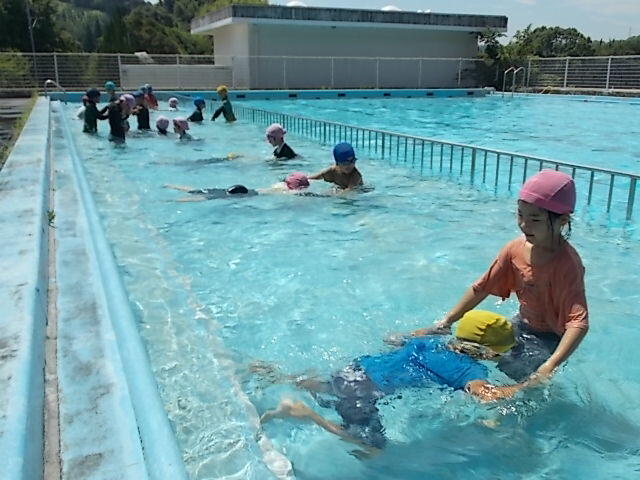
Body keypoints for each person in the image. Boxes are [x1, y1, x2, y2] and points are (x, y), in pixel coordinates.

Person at [257, 310, 530, 454]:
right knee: (372, 448)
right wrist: (529, 384)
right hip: (364, 393)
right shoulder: (470, 370)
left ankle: (275, 376)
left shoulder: (431, 341)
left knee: (330, 385)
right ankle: (303, 413)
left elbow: (392, 339)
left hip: (356, 369)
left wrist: (430, 329)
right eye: (501, 352)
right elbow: (486, 395)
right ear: (487, 352)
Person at [406, 170, 588, 384]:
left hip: (549, 340)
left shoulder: (567, 265)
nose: (524, 225)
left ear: (562, 221)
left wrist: (550, 365)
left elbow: (578, 322)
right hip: (520, 325)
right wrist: (444, 323)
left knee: (519, 378)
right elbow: (481, 287)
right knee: (460, 348)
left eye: (535, 219)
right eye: (520, 215)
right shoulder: (515, 249)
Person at [164, 172, 311, 202]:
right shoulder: (290, 191)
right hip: (248, 194)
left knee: (204, 191)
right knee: (207, 197)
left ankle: (170, 185)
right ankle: (172, 200)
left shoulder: (281, 184)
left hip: (249, 190)